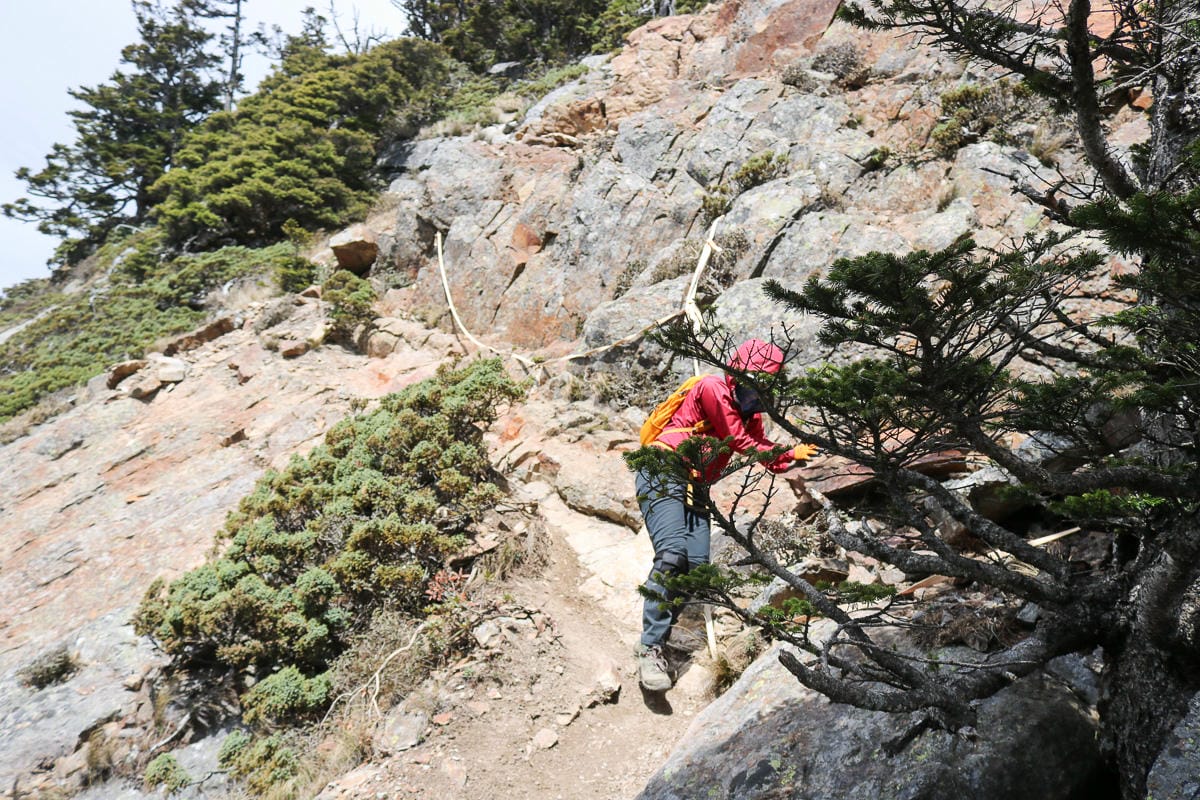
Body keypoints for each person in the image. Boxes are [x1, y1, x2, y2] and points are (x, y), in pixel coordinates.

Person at [634, 338, 817, 691]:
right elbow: (737, 440)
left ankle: (657, 639)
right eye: (756, 378)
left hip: (696, 485)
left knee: (697, 568)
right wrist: (790, 450)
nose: (759, 387)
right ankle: (650, 648)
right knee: (672, 555)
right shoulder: (712, 387)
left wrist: (793, 456)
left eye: (766, 381)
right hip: (663, 468)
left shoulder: (752, 414)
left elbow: (767, 455)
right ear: (737, 372)